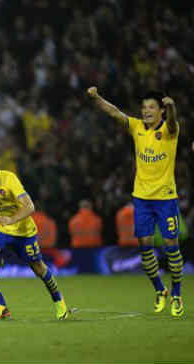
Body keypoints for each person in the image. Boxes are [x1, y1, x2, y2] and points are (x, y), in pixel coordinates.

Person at [87, 86, 183, 317]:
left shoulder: (171, 129)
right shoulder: (138, 127)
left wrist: (171, 106)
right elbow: (114, 112)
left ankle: (177, 295)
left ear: (160, 110)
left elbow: (172, 122)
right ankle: (160, 290)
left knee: (172, 248)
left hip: (166, 198)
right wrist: (97, 97)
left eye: (151, 107)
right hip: (141, 199)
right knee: (145, 251)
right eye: (144, 107)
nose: (146, 111)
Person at [0, 146, 71, 320]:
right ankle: (1, 306)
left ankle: (59, 302)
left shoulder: (9, 180)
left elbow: (30, 206)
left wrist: (12, 219)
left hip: (23, 230)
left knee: (38, 267)